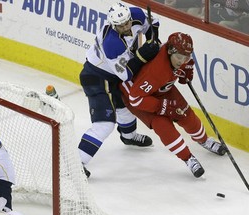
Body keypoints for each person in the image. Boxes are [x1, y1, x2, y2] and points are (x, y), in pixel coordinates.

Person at [120, 32, 227, 178]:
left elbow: (184, 61)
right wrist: (162, 106)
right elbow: (135, 98)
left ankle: (204, 140)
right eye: (179, 57)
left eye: (186, 57)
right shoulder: (156, 70)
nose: (181, 61)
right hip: (141, 97)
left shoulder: (179, 56)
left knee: (186, 114)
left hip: (162, 88)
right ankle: (188, 158)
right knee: (164, 127)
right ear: (170, 51)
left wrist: (187, 68)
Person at [78, 2, 160, 178]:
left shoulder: (136, 14)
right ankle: (76, 162)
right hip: (96, 77)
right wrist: (144, 53)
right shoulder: (112, 43)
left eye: (127, 23)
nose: (125, 27)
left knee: (125, 105)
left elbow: (153, 23)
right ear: (113, 25)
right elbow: (126, 74)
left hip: (112, 77)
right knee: (104, 124)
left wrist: (154, 39)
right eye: (121, 26)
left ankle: (128, 136)